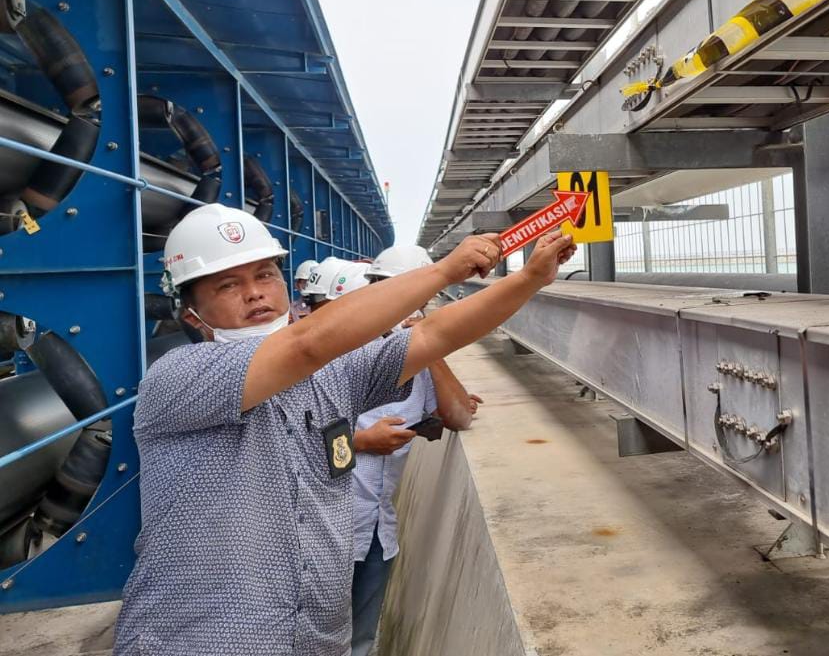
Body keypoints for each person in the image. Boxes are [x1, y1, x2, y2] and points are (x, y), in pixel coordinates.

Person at [112, 203, 573, 656]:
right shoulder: (178, 378)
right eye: (229, 284)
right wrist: (444, 272)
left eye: (266, 275)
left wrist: (528, 279)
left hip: (316, 636)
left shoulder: (334, 374)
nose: (255, 293)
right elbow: (305, 345)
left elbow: (433, 336)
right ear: (192, 314)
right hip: (201, 640)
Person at [342, 244, 478, 656]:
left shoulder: (417, 363)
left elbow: (458, 416)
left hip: (376, 533)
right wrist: (361, 442)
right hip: (327, 531)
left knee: (362, 640)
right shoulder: (341, 353)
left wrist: (426, 345)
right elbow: (286, 441)